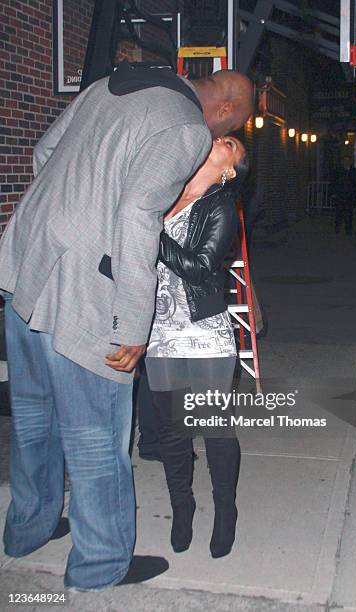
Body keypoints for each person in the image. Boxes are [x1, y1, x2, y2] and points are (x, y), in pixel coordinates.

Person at [0, 64, 254, 592]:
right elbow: (139, 215)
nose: (225, 140)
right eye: (235, 126)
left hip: (25, 264)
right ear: (224, 109)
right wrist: (133, 324)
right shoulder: (185, 127)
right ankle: (100, 565)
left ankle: (29, 529)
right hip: (81, 293)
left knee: (32, 418)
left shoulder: (116, 84)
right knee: (95, 435)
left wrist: (60, 220)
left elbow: (45, 153)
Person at [145, 135, 248, 559]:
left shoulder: (222, 205)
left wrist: (149, 226)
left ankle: (226, 511)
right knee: (172, 432)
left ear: (230, 170)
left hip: (203, 331)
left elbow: (201, 269)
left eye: (232, 144)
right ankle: (182, 507)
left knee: (214, 430)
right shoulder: (165, 189)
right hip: (156, 331)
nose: (220, 139)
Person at [330, 155, 356, 235]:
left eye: (348, 160)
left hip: (350, 196)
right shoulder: (337, 171)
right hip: (340, 195)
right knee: (339, 212)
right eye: (345, 160)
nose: (346, 162)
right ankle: (337, 226)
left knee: (349, 213)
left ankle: (348, 228)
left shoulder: (354, 171)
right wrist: (333, 193)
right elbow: (333, 182)